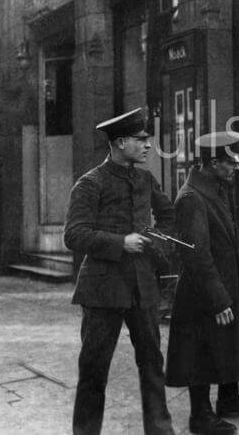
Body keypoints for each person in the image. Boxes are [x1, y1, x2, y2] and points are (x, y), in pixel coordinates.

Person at [63, 108, 175, 435]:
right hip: (102, 290)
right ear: (120, 142)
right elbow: (74, 235)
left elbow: (168, 218)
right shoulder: (90, 183)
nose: (148, 146)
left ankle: (160, 430)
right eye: (141, 140)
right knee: (94, 370)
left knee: (153, 365)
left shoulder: (145, 179)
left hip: (142, 288)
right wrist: (120, 242)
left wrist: (156, 244)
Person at [165, 131, 239, 435]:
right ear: (210, 163)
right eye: (229, 163)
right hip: (203, 291)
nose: (235, 168)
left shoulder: (215, 188)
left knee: (226, 345)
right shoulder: (193, 198)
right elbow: (196, 255)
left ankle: (229, 400)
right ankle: (200, 415)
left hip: (224, 282)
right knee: (201, 352)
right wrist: (219, 298)